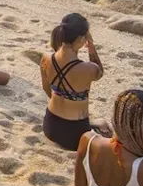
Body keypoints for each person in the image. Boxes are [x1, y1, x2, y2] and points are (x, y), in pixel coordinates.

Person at [39, 13, 111, 150]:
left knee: (97, 123)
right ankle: (94, 124)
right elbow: (100, 72)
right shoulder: (88, 69)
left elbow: (46, 89)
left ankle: (93, 123)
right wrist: (92, 47)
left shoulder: (46, 58)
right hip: (75, 134)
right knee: (108, 133)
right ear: (81, 38)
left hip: (50, 126)